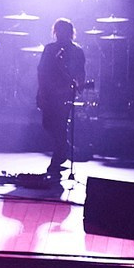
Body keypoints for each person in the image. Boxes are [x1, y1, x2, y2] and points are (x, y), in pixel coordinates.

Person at [35, 18, 88, 172]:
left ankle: (58, 155)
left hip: (64, 93)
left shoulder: (77, 51)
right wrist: (42, 91)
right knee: (47, 124)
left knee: (61, 122)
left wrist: (79, 84)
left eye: (63, 31)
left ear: (70, 33)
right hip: (48, 91)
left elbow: (80, 71)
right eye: (57, 31)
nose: (59, 34)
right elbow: (41, 71)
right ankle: (63, 147)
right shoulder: (50, 49)